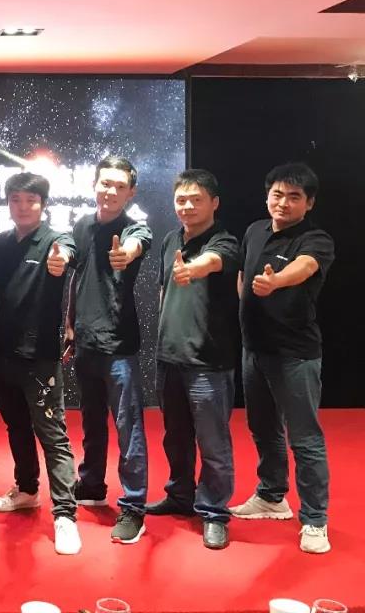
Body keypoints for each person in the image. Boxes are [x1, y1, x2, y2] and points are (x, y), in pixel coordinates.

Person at [230, 162, 335, 554]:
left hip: (296, 355)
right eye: (277, 194)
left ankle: (315, 520)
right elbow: (243, 275)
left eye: (294, 196)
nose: (284, 202)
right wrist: (246, 300)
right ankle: (272, 496)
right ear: (267, 195)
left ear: (309, 203)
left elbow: (305, 267)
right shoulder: (255, 230)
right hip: (254, 349)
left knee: (305, 439)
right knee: (263, 428)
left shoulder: (316, 239)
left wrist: (276, 281)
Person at [0, 172, 82, 555]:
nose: (23, 207)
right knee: (17, 428)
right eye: (16, 200)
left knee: (52, 435)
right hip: (1, 354)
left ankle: (65, 514)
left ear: (43, 204)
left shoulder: (56, 241)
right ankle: (26, 489)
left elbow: (68, 254)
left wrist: (61, 260)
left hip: (39, 357)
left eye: (31, 200)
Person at [149, 169, 240, 550]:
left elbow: (215, 261)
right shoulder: (171, 239)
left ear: (214, 203)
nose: (187, 206)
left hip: (208, 361)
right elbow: (163, 291)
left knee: (213, 441)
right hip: (170, 357)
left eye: (196, 199)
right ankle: (180, 494)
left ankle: (214, 511)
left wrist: (195, 267)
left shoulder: (225, 241)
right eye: (181, 200)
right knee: (176, 436)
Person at [65, 155, 152, 544]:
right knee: (91, 423)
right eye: (105, 183)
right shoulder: (82, 225)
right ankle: (91, 484)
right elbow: (78, 278)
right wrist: (70, 326)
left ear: (131, 192)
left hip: (119, 346)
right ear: (94, 184)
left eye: (120, 186)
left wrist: (125, 254)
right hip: (85, 343)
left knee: (128, 428)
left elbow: (134, 245)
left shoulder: (135, 228)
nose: (111, 191)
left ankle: (133, 506)